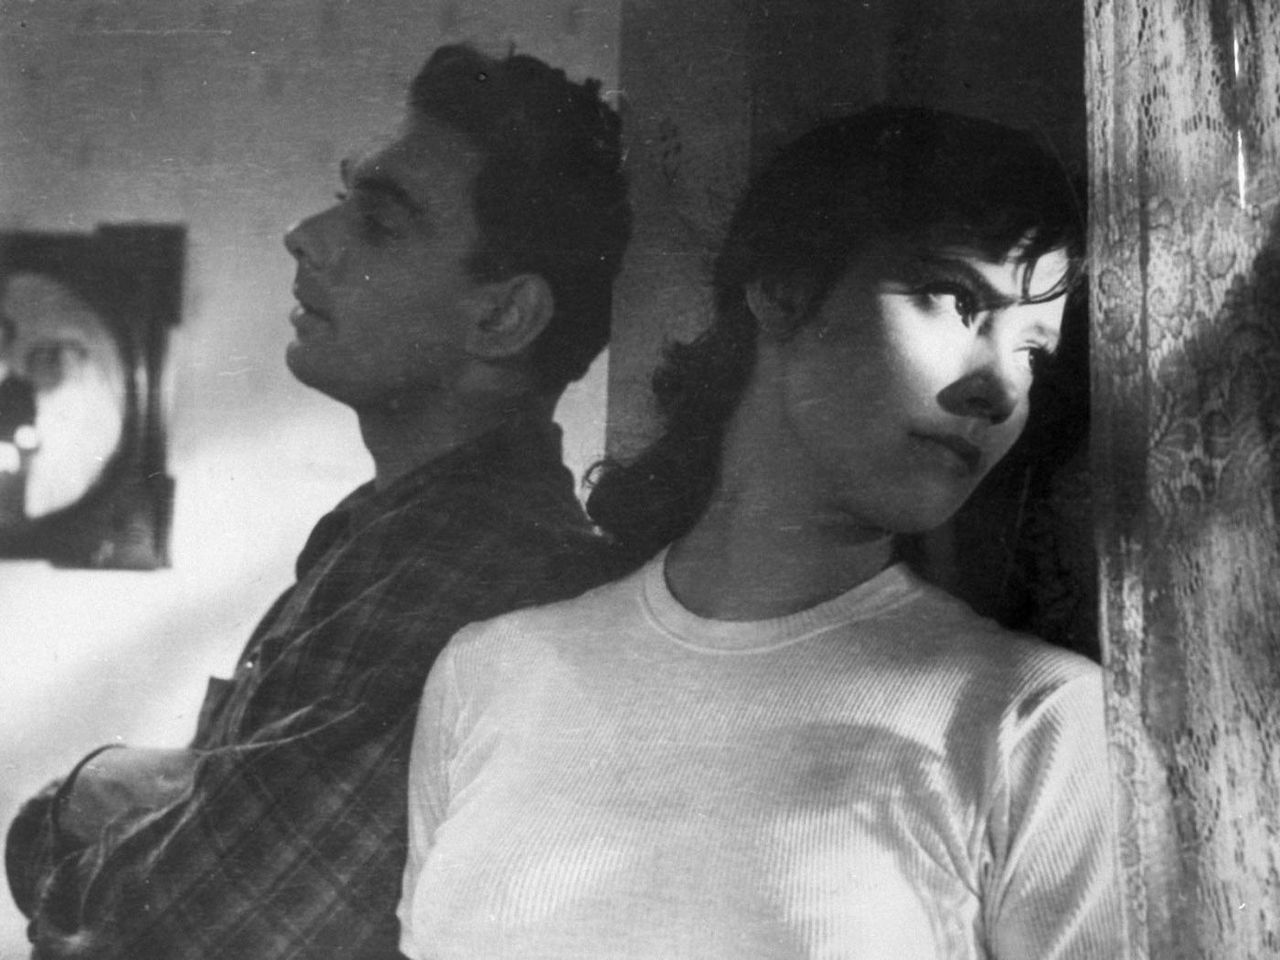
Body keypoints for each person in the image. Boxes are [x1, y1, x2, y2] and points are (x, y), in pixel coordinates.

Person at [398, 106, 1120, 958]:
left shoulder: (1034, 719)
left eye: (1034, 351)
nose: (999, 389)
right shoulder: (488, 672)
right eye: (956, 299)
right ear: (782, 287)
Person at [6, 44, 631, 960]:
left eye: (380, 221)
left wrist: (83, 796)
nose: (305, 235)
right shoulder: (385, 532)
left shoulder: (470, 567)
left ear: (501, 317)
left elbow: (180, 935)